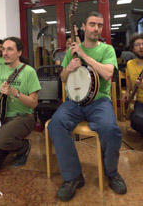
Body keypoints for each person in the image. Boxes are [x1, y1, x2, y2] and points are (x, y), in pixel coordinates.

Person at [47, 12, 126, 202]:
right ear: (83, 26)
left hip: (99, 101)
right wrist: (69, 68)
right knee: (55, 124)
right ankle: (73, 177)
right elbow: (63, 78)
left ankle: (111, 172)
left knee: (109, 129)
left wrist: (84, 55)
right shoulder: (71, 51)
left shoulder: (107, 49)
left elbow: (108, 74)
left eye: (100, 25)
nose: (96, 29)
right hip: (74, 102)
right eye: (92, 24)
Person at [0, 37, 41, 174]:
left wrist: (15, 92)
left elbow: (34, 103)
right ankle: (7, 145)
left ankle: (23, 147)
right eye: (3, 49)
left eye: (9, 49)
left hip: (24, 117)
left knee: (1, 138)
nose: (4, 53)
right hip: (3, 119)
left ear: (19, 52)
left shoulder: (29, 71)